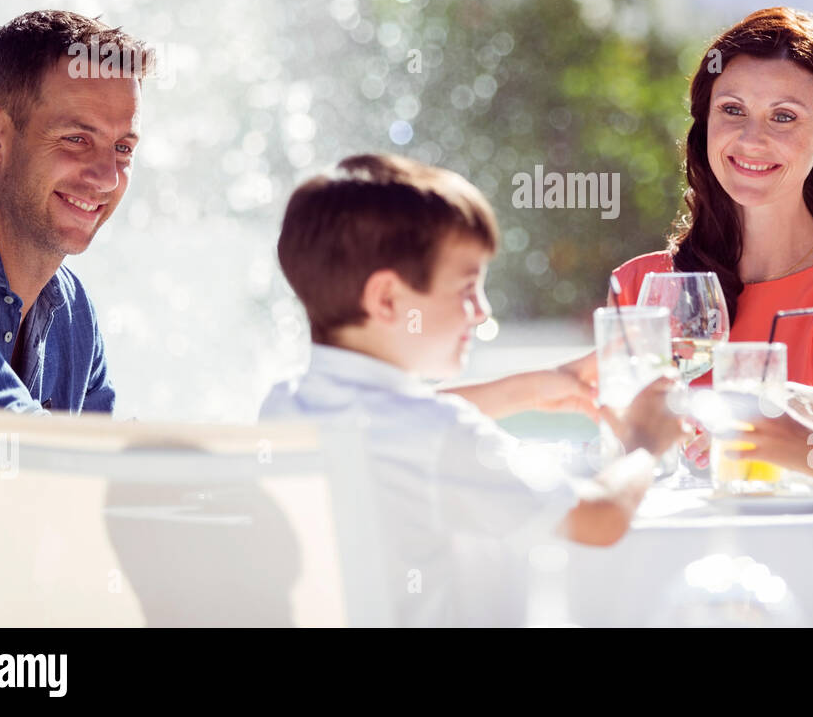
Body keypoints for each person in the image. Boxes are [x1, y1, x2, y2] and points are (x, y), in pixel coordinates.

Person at [260, 153, 685, 626]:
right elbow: (600, 519)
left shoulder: (286, 402)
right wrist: (646, 443)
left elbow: (392, 425)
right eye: (466, 288)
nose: (481, 310)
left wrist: (524, 391)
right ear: (387, 299)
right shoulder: (441, 435)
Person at [610, 7, 813, 473]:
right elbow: (622, 453)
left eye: (783, 117)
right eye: (732, 110)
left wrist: (791, 402)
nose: (751, 138)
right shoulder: (642, 286)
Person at [0, 10, 149, 627]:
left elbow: (96, 524)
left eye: (122, 147)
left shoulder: (74, 312)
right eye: (77, 138)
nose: (106, 176)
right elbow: (23, 461)